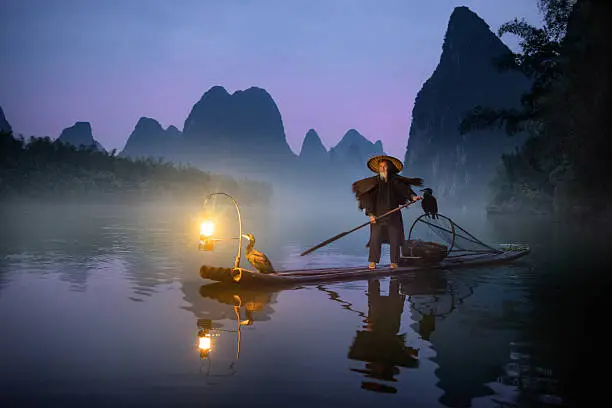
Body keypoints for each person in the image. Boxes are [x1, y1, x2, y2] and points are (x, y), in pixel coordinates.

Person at [352, 155, 423, 269]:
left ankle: (394, 262)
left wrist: (413, 197)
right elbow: (368, 199)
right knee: (375, 238)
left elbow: (405, 190)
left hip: (393, 216)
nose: (383, 168)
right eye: (381, 166)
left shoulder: (394, 181)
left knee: (394, 238)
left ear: (389, 168)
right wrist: (371, 215)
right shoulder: (373, 182)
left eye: (385, 166)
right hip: (378, 217)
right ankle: (373, 261)